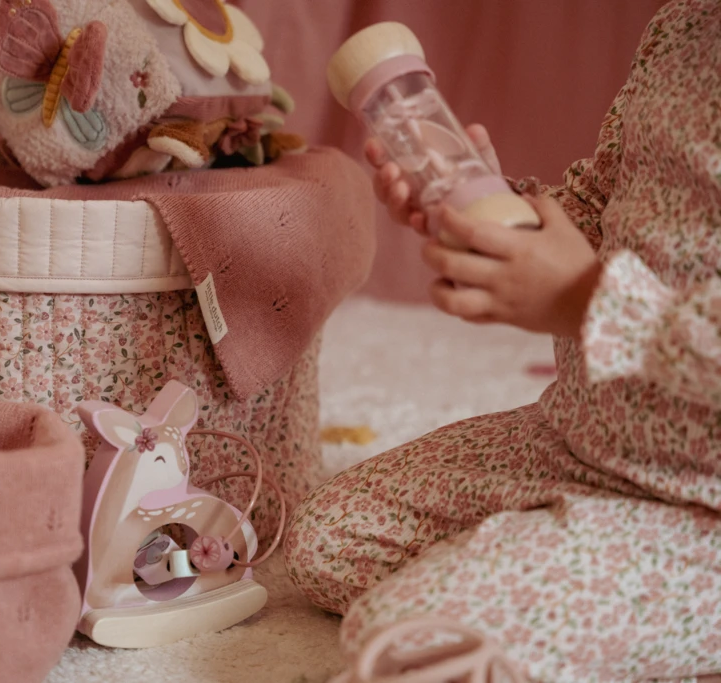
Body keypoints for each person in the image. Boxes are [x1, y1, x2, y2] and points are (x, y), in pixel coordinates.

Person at [284, 1, 721, 680]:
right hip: (585, 438)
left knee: (405, 635)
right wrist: (490, 203)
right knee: (327, 540)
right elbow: (601, 203)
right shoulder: (685, 25)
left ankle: (643, 575)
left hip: (700, 498)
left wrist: (585, 299)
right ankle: (581, 554)